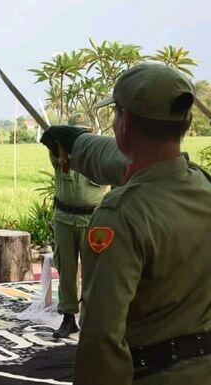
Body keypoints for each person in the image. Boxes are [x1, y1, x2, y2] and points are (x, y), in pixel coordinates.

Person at [40, 62, 211, 384]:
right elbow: (136, 166)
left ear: (125, 123)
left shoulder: (121, 216)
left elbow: (102, 336)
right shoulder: (202, 184)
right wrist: (77, 143)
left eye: (117, 113)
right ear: (186, 122)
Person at [47, 113, 107, 339]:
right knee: (67, 270)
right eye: (75, 133)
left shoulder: (100, 157)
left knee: (96, 271)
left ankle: (93, 319)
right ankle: (68, 318)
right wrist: (63, 148)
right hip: (64, 218)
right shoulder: (59, 155)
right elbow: (50, 134)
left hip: (94, 219)